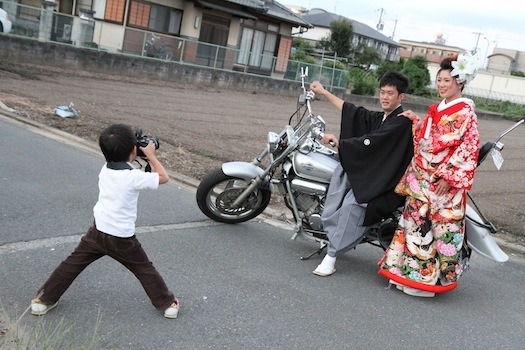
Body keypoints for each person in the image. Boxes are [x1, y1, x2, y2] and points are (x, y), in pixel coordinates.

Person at [30, 124, 180, 318]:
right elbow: (163, 177)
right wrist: (150, 154)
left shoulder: (105, 169)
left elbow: (121, 162)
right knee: (144, 269)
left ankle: (43, 301)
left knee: (71, 264)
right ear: (134, 150)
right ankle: (167, 304)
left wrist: (134, 154)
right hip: (122, 238)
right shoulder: (133, 177)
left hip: (97, 231)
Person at [378, 52, 481, 297]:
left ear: (460, 82)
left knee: (434, 232)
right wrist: (416, 121)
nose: (442, 85)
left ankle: (428, 282)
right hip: (424, 177)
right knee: (414, 228)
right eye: (439, 80)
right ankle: (406, 275)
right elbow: (430, 138)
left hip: (443, 182)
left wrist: (449, 176)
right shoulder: (441, 109)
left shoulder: (465, 111)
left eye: (447, 80)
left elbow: (469, 146)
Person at [309, 72, 414, 277]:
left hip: (384, 183)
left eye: (390, 93)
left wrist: (340, 143)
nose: (384, 97)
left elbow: (372, 143)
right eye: (382, 92)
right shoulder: (382, 118)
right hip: (373, 175)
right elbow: (354, 112)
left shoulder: (401, 121)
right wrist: (323, 92)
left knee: (351, 205)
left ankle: (331, 255)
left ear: (401, 96)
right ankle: (328, 233)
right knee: (338, 176)